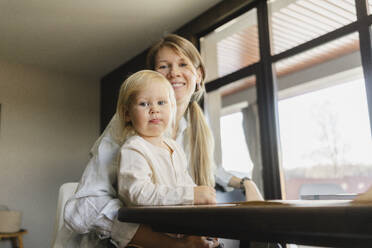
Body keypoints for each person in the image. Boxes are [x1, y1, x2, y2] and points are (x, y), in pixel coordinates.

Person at [64, 34, 262, 248]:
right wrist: (174, 244)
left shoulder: (192, 132)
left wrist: (245, 182)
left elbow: (214, 171)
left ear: (199, 75)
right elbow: (82, 208)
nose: (174, 73)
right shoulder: (128, 126)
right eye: (163, 66)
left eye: (183, 64)